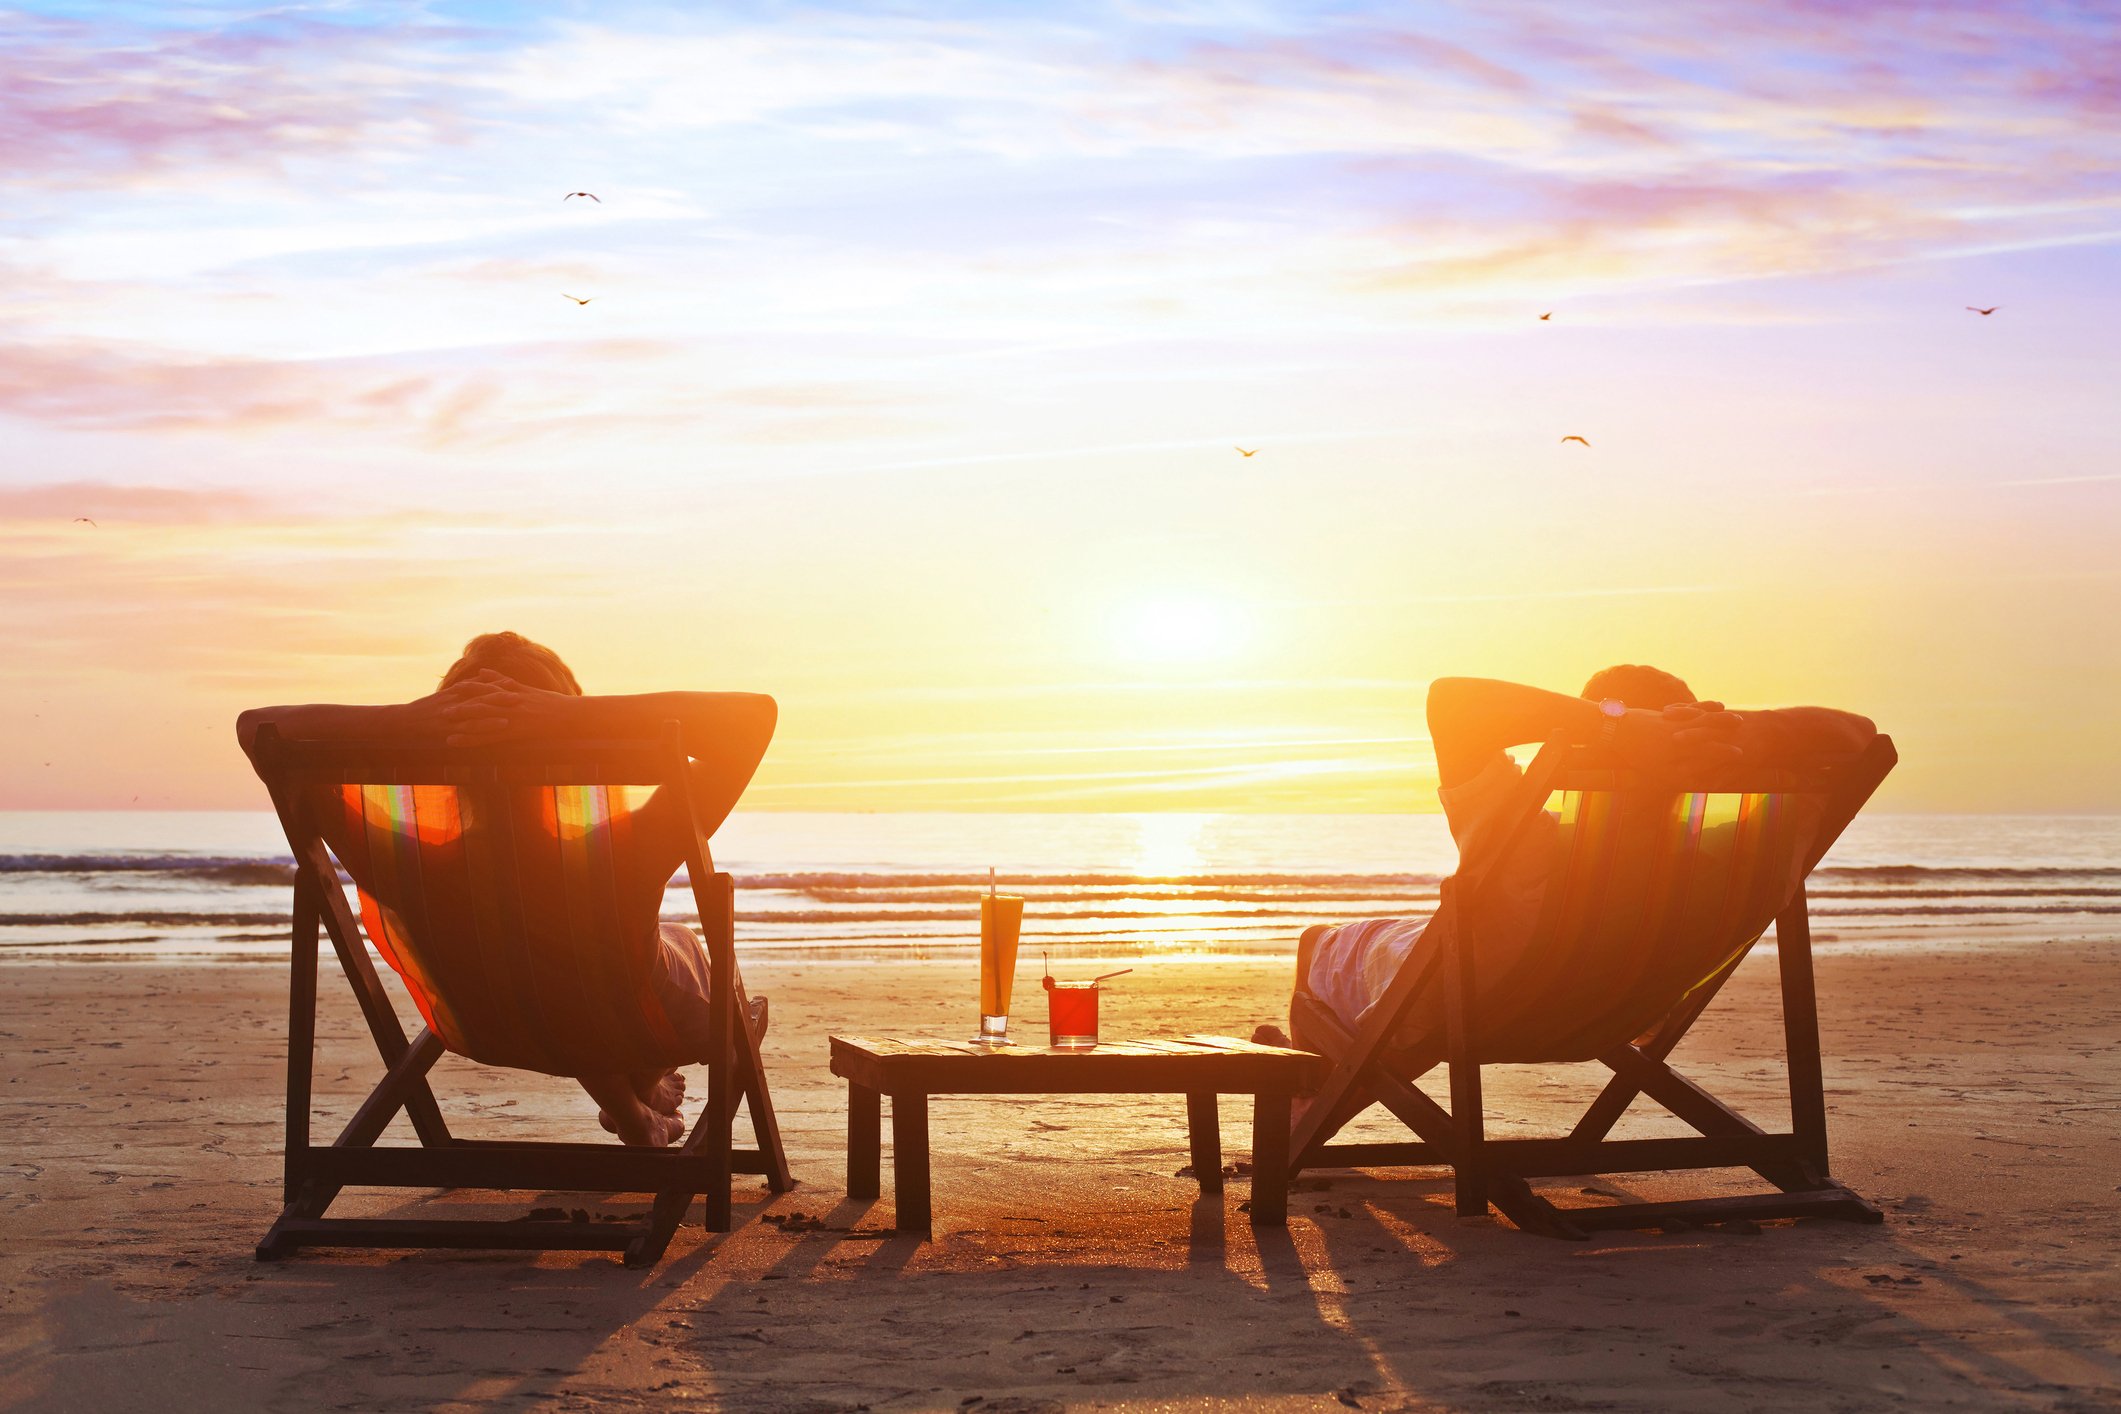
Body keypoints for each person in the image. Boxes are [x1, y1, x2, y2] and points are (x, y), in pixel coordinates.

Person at [235, 631, 776, 1148]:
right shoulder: (624, 852)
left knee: (554, 972)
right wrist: (567, 715)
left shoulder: (402, 861)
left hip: (489, 1031)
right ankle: (642, 1086)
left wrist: (409, 720)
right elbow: (754, 718)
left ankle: (638, 1107)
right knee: (662, 947)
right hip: (636, 1029)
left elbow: (255, 728)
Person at [1257, 666, 1877, 1052]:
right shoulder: (1729, 855)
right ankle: (1318, 1073)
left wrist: (1616, 725)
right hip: (1623, 1008)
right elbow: (1860, 737)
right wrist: (1743, 731)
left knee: (1322, 944)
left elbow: (1452, 700)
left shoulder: (1524, 838)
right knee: (1407, 960)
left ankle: (1309, 1089)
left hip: (1481, 1004)